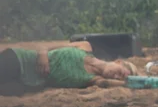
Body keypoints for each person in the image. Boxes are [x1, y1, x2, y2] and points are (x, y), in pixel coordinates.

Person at [0, 41, 136, 96]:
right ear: (118, 62)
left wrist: (131, 83)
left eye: (118, 79)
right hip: (22, 60)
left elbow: (105, 84)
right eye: (120, 72)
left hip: (25, 84)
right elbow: (46, 45)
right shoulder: (85, 46)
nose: (115, 76)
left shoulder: (93, 80)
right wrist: (43, 53)